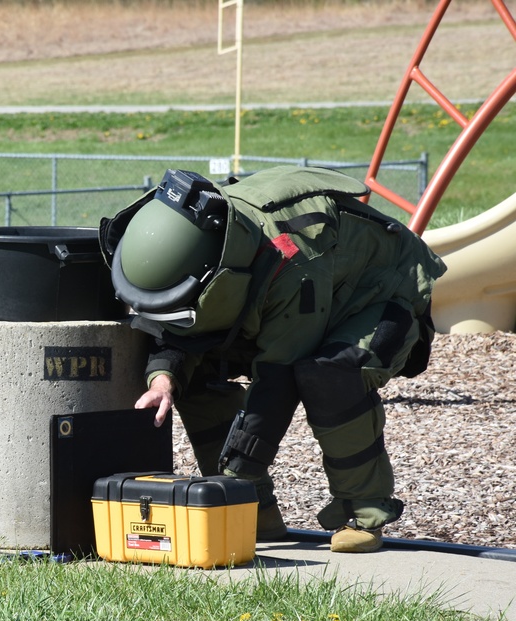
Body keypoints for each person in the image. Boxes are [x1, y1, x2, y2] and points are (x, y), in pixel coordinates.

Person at [99, 165, 447, 553]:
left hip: (379, 291)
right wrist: (163, 380)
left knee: (330, 373)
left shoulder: (290, 260)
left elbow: (276, 383)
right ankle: (251, 511)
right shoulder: (204, 242)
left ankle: (364, 513)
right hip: (301, 293)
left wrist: (231, 478)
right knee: (194, 376)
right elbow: (180, 331)